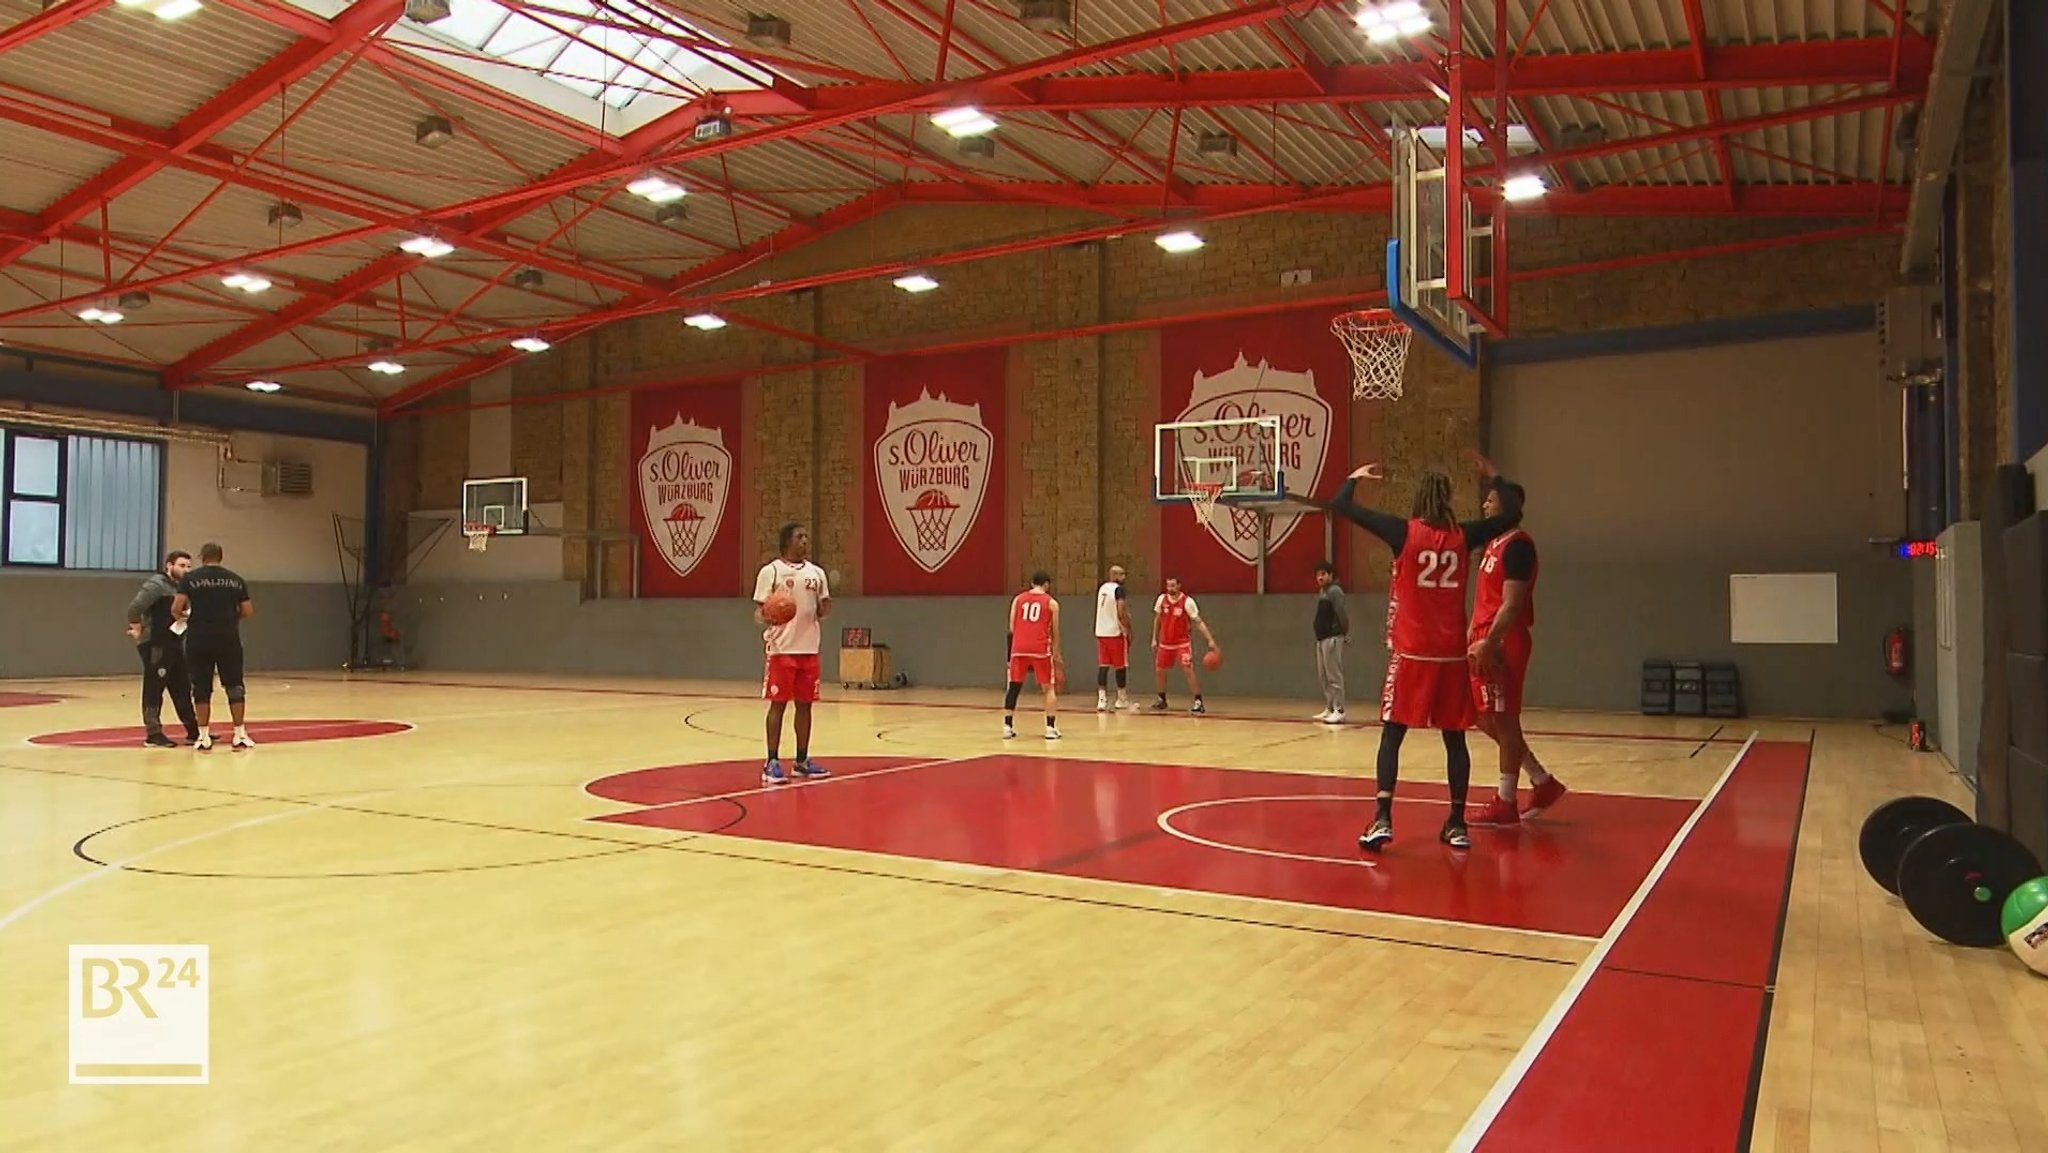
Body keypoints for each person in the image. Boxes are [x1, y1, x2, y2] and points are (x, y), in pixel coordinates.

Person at [1328, 458, 1523, 851]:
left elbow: (1342, 506)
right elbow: (1514, 514)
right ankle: (1456, 823)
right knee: (1454, 741)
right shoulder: (1464, 536)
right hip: (1450, 655)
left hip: (1413, 653)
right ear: (1448, 500)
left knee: (1392, 735)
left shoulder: (1402, 532)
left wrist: (1353, 479)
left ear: (1418, 500)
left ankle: (1382, 817)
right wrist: (1495, 478)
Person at [1466, 477, 1567, 824]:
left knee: (1505, 719)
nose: (1485, 506)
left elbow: (1510, 605)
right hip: (1483, 636)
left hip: (1502, 640)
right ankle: (1541, 780)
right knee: (1478, 714)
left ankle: (1506, 800)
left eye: (1491, 500)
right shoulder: (1494, 543)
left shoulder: (1518, 546)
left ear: (1506, 506)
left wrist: (1490, 642)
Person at [752, 521, 831, 785]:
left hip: (809, 648)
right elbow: (758, 612)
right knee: (778, 705)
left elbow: (822, 609)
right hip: (781, 649)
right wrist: (770, 615)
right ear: (787, 541)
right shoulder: (771, 572)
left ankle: (802, 760)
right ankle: (771, 761)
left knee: (805, 706)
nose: (805, 541)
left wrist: (825, 606)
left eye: (807, 536)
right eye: (800, 537)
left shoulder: (817, 573)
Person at [172, 542, 254, 751]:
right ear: (221, 557)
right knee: (235, 685)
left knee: (201, 687)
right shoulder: (236, 580)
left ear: (201, 557)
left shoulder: (190, 579)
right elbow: (247, 611)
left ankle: (203, 736)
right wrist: (228, 618)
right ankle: (239, 734)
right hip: (228, 638)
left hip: (199, 639)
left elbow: (176, 608)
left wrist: (189, 617)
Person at [125, 549, 199, 748]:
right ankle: (153, 733)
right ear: (169, 565)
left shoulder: (185, 588)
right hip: (155, 643)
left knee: (182, 686)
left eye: (189, 567)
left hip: (174, 641)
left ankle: (193, 730)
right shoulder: (156, 585)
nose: (186, 570)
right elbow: (135, 608)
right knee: (154, 686)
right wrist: (137, 627)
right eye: (182, 565)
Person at [1004, 571, 1063, 740]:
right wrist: (1056, 652)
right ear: (1047, 584)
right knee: (1048, 688)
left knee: (1014, 686)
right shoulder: (1051, 603)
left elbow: (1012, 627)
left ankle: (1007, 726)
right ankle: (1050, 728)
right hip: (1040, 648)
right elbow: (1055, 631)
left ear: (1032, 583)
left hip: (1018, 647)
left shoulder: (1018, 599)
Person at [1150, 576, 1219, 713]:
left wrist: (1210, 639)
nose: (1170, 589)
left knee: (1188, 670)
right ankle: (1161, 699)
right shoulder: (1161, 600)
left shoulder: (1187, 602)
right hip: (1165, 643)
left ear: (1179, 586)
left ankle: (1198, 700)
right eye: (1168, 586)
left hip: (1182, 643)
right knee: (1160, 671)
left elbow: (1198, 621)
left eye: (1173, 586)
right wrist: (1154, 639)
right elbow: (1157, 620)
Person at [1312, 560, 1350, 724]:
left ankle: (1339, 709)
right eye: (1318, 574)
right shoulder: (1323, 592)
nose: (1320, 577)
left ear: (1330, 575)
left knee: (1334, 675)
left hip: (1332, 638)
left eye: (1323, 574)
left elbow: (1341, 613)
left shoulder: (1335, 591)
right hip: (1321, 639)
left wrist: (1343, 632)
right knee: (1324, 676)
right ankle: (1330, 707)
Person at [1093, 564, 1133, 711]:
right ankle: (1121, 699)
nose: (1124, 577)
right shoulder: (1119, 589)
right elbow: (1121, 610)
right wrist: (1127, 627)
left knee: (1103, 666)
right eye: (1122, 574)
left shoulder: (1102, 588)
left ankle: (1102, 700)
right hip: (1115, 632)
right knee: (1120, 666)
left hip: (1101, 631)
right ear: (1115, 576)